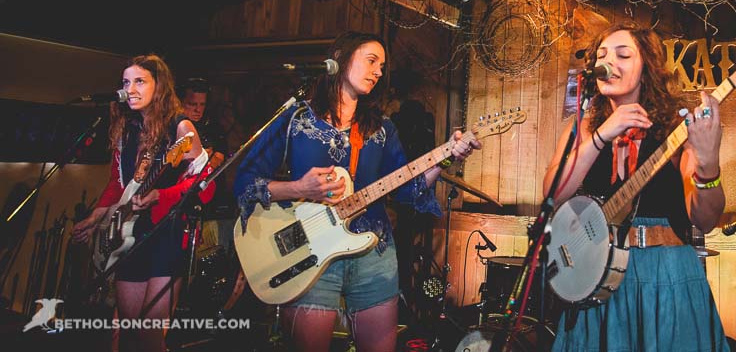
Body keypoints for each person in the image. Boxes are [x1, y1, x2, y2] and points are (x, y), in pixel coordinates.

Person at [232, 31, 481, 352]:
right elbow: (245, 182)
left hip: (374, 253)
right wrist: (298, 187)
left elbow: (409, 190)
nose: (378, 71)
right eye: (371, 60)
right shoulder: (295, 119)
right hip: (309, 252)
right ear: (340, 58)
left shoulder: (382, 128)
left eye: (382, 66)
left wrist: (445, 157)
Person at [542, 23, 728, 352]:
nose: (608, 62)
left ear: (647, 69)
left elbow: (705, 219)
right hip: (596, 272)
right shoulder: (583, 126)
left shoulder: (675, 127)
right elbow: (553, 194)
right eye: (602, 55)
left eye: (623, 55)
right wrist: (602, 135)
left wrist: (708, 162)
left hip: (664, 274)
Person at [71, 54, 216, 352]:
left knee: (150, 334)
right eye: (126, 82)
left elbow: (206, 187)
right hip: (130, 236)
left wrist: (162, 195)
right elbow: (119, 184)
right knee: (129, 332)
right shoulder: (127, 130)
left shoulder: (181, 128)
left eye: (139, 81)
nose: (130, 89)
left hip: (165, 233)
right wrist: (96, 217)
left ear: (159, 86)